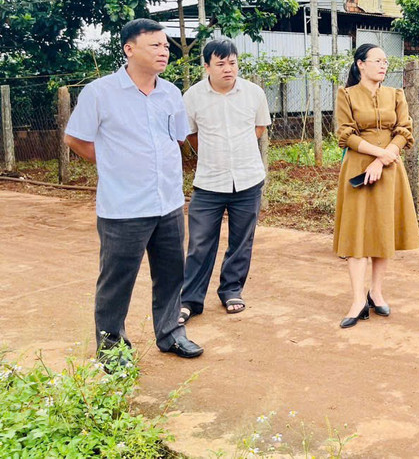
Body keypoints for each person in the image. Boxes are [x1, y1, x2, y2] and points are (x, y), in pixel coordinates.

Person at [64, 18, 203, 367]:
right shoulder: (100, 93)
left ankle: (171, 333)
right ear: (129, 49)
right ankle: (111, 349)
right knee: (117, 280)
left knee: (171, 274)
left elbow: (178, 139)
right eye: (155, 45)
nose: (164, 51)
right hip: (123, 207)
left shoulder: (171, 93)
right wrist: (113, 161)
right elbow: (75, 138)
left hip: (168, 201)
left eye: (166, 46)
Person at [178, 39, 271, 325]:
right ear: (206, 66)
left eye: (232, 62)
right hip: (209, 183)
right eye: (220, 63)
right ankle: (190, 299)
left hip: (248, 179)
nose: (228, 68)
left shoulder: (254, 93)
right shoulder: (192, 97)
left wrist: (238, 152)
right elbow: (190, 134)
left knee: (242, 241)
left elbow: (259, 127)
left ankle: (231, 289)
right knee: (200, 243)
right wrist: (213, 152)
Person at [333, 44, 419, 328]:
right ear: (361, 64)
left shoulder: (396, 95)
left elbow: (404, 131)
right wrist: (377, 153)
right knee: (356, 234)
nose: (383, 65)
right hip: (358, 167)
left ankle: (376, 292)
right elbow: (345, 134)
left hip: (388, 169)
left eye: (386, 61)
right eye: (377, 60)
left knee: (382, 232)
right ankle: (358, 299)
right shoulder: (346, 95)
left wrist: (383, 160)